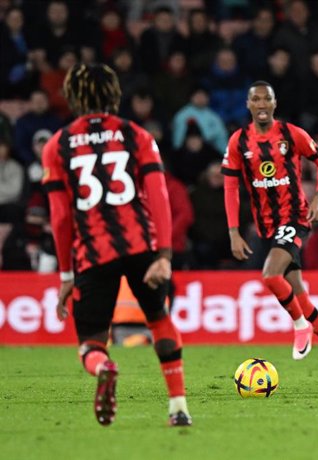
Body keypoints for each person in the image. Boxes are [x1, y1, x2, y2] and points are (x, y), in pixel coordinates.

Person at [41, 63, 191, 426]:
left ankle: (104, 365)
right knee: (159, 321)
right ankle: (178, 408)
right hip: (141, 245)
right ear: (114, 94)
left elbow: (60, 218)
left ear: (73, 96)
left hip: (93, 253)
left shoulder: (56, 146)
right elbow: (158, 196)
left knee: (90, 342)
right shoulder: (136, 135)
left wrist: (65, 275)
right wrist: (164, 254)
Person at [222, 81, 318, 370]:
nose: (261, 104)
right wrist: (233, 232)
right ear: (249, 105)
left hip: (294, 216)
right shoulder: (238, 142)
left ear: (274, 103)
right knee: (297, 291)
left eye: (266, 99)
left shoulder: (291, 134)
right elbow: (230, 188)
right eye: (255, 99)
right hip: (265, 225)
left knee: (270, 276)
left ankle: (299, 325)